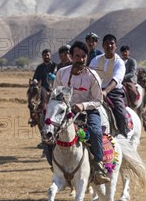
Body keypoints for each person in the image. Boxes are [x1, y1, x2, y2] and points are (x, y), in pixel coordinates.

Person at [51, 41, 110, 184]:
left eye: (84, 56)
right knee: (49, 131)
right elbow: (55, 94)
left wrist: (83, 106)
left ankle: (98, 167)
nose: (81, 59)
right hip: (65, 112)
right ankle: (54, 165)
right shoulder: (61, 73)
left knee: (95, 132)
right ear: (70, 57)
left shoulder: (92, 75)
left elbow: (98, 100)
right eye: (77, 56)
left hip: (89, 111)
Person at [89, 34, 128, 137]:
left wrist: (105, 91)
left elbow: (116, 79)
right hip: (95, 91)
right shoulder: (95, 60)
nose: (109, 46)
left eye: (112, 43)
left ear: (116, 46)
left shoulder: (119, 62)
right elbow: (89, 76)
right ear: (103, 45)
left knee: (121, 113)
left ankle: (124, 135)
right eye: (107, 44)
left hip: (113, 92)